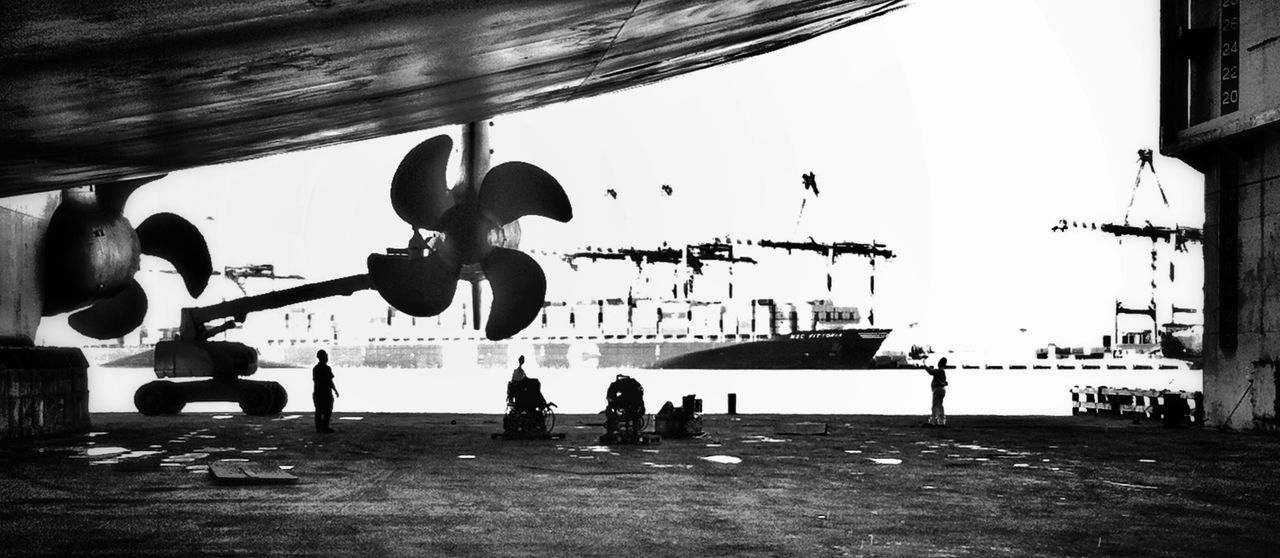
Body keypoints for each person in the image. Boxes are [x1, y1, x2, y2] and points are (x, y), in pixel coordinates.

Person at [313, 350, 339, 433]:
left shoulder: (315, 369)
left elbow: (316, 381)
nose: (327, 357)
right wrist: (335, 390)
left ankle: (319, 428)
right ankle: (325, 427)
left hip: (318, 393)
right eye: (326, 356)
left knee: (319, 411)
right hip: (326, 393)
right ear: (322, 357)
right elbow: (330, 381)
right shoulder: (327, 368)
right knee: (327, 411)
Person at [924, 356, 948, 427]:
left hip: (937, 389)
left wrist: (925, 366)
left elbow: (931, 372)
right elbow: (944, 381)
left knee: (935, 405)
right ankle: (941, 421)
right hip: (942, 389)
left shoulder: (939, 371)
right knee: (940, 405)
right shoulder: (943, 372)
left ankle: (933, 421)